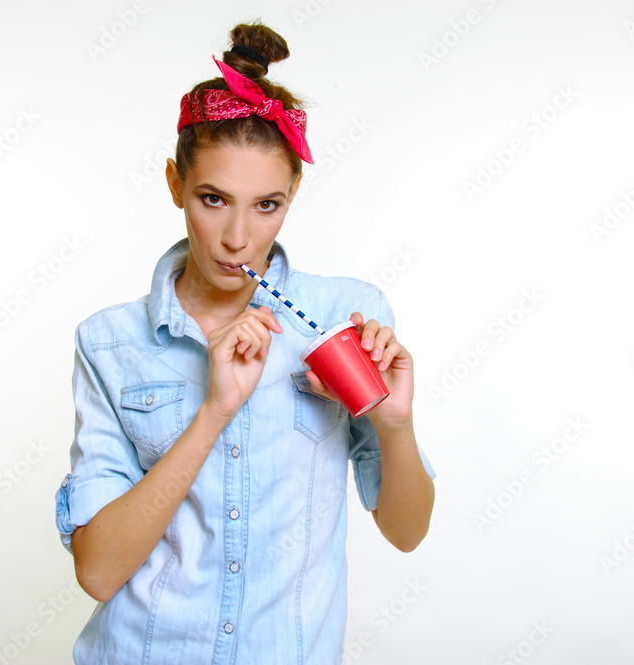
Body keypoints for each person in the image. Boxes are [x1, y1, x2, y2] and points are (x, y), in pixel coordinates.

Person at [54, 20, 436, 665]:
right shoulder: (109, 343)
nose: (236, 237)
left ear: (292, 196)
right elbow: (97, 571)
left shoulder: (347, 317)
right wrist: (215, 411)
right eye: (212, 198)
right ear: (175, 185)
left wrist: (393, 424)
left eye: (266, 205)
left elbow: (406, 532)